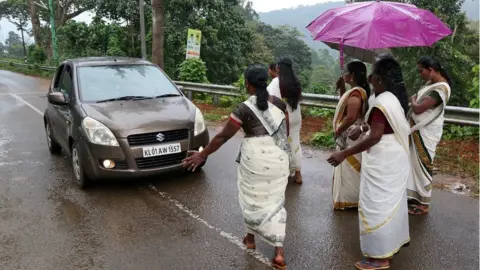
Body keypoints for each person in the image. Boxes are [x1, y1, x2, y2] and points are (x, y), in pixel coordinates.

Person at [182, 64, 292, 269]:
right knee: (275, 202)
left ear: (247, 84)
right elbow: (285, 134)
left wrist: (202, 154)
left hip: (254, 159)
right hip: (278, 158)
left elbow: (223, 137)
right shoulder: (280, 104)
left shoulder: (243, 109)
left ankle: (250, 239)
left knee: (251, 199)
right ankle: (278, 252)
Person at [327, 57, 411, 270]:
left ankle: (379, 257)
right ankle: (390, 245)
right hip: (394, 156)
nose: (370, 77)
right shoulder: (391, 98)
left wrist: (344, 153)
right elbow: (378, 128)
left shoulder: (382, 103)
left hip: (384, 157)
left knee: (376, 205)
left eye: (373, 73)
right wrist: (363, 128)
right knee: (389, 203)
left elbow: (375, 136)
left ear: (380, 78)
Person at [407, 56, 452, 215]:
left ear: (431, 70)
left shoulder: (440, 89)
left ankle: (424, 203)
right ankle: (414, 197)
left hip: (426, 130)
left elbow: (419, 109)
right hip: (420, 129)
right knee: (413, 162)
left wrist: (413, 100)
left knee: (423, 164)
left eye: (421, 71)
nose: (420, 75)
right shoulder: (432, 85)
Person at [332, 61, 371, 210]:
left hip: (351, 135)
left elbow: (351, 117)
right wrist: (342, 87)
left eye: (346, 72)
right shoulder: (356, 92)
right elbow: (348, 107)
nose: (344, 74)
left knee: (349, 169)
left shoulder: (356, 93)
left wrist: (338, 130)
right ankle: (352, 199)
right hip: (354, 135)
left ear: (352, 75)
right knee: (350, 168)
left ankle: (350, 200)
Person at [276, 57, 303, 184]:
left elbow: (273, 100)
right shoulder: (295, 81)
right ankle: (298, 174)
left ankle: (284, 171)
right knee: (295, 143)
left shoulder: (278, 82)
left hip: (285, 115)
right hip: (296, 114)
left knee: (283, 143)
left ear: (280, 67)